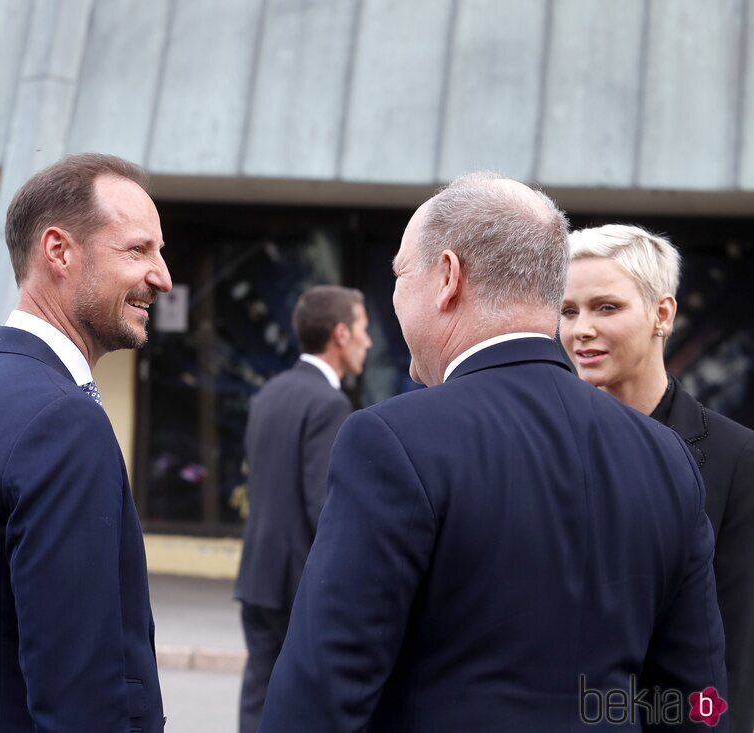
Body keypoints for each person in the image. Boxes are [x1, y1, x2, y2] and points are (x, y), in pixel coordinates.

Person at [258, 173, 727, 732]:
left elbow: (322, 691)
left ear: (448, 278)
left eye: (400, 274)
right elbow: (697, 700)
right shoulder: (667, 457)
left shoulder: (393, 441)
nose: (396, 298)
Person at [0, 154, 171, 732]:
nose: (163, 276)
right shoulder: (63, 420)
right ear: (59, 250)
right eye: (137, 250)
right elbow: (79, 688)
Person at [561, 223, 754, 733]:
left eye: (606, 307)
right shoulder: (541, 448)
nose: (581, 329)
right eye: (567, 311)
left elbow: (734, 646)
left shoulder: (736, 455)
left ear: (661, 314)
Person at [234, 285, 371, 733]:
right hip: (298, 585)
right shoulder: (329, 404)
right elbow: (324, 507)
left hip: (257, 577)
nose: (369, 342)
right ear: (341, 335)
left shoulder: (271, 392)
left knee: (259, 696)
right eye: (363, 329)